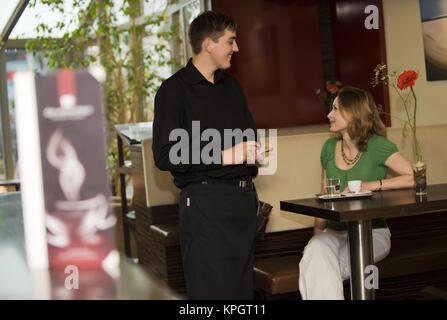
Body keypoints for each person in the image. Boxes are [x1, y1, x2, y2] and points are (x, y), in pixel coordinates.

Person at [152, 11, 265, 300]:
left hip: (242, 203)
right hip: (205, 208)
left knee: (242, 296)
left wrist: (254, 151)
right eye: (231, 41)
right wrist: (226, 154)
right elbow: (164, 155)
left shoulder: (233, 87)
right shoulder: (173, 91)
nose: (236, 48)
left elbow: (247, 139)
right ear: (208, 44)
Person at [299, 86, 414, 300]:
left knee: (319, 267)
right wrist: (317, 233)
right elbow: (326, 192)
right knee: (315, 251)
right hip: (335, 231)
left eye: (335, 109)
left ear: (353, 113)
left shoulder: (379, 146)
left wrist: (372, 184)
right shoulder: (328, 148)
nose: (329, 115)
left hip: (373, 233)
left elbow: (413, 177)